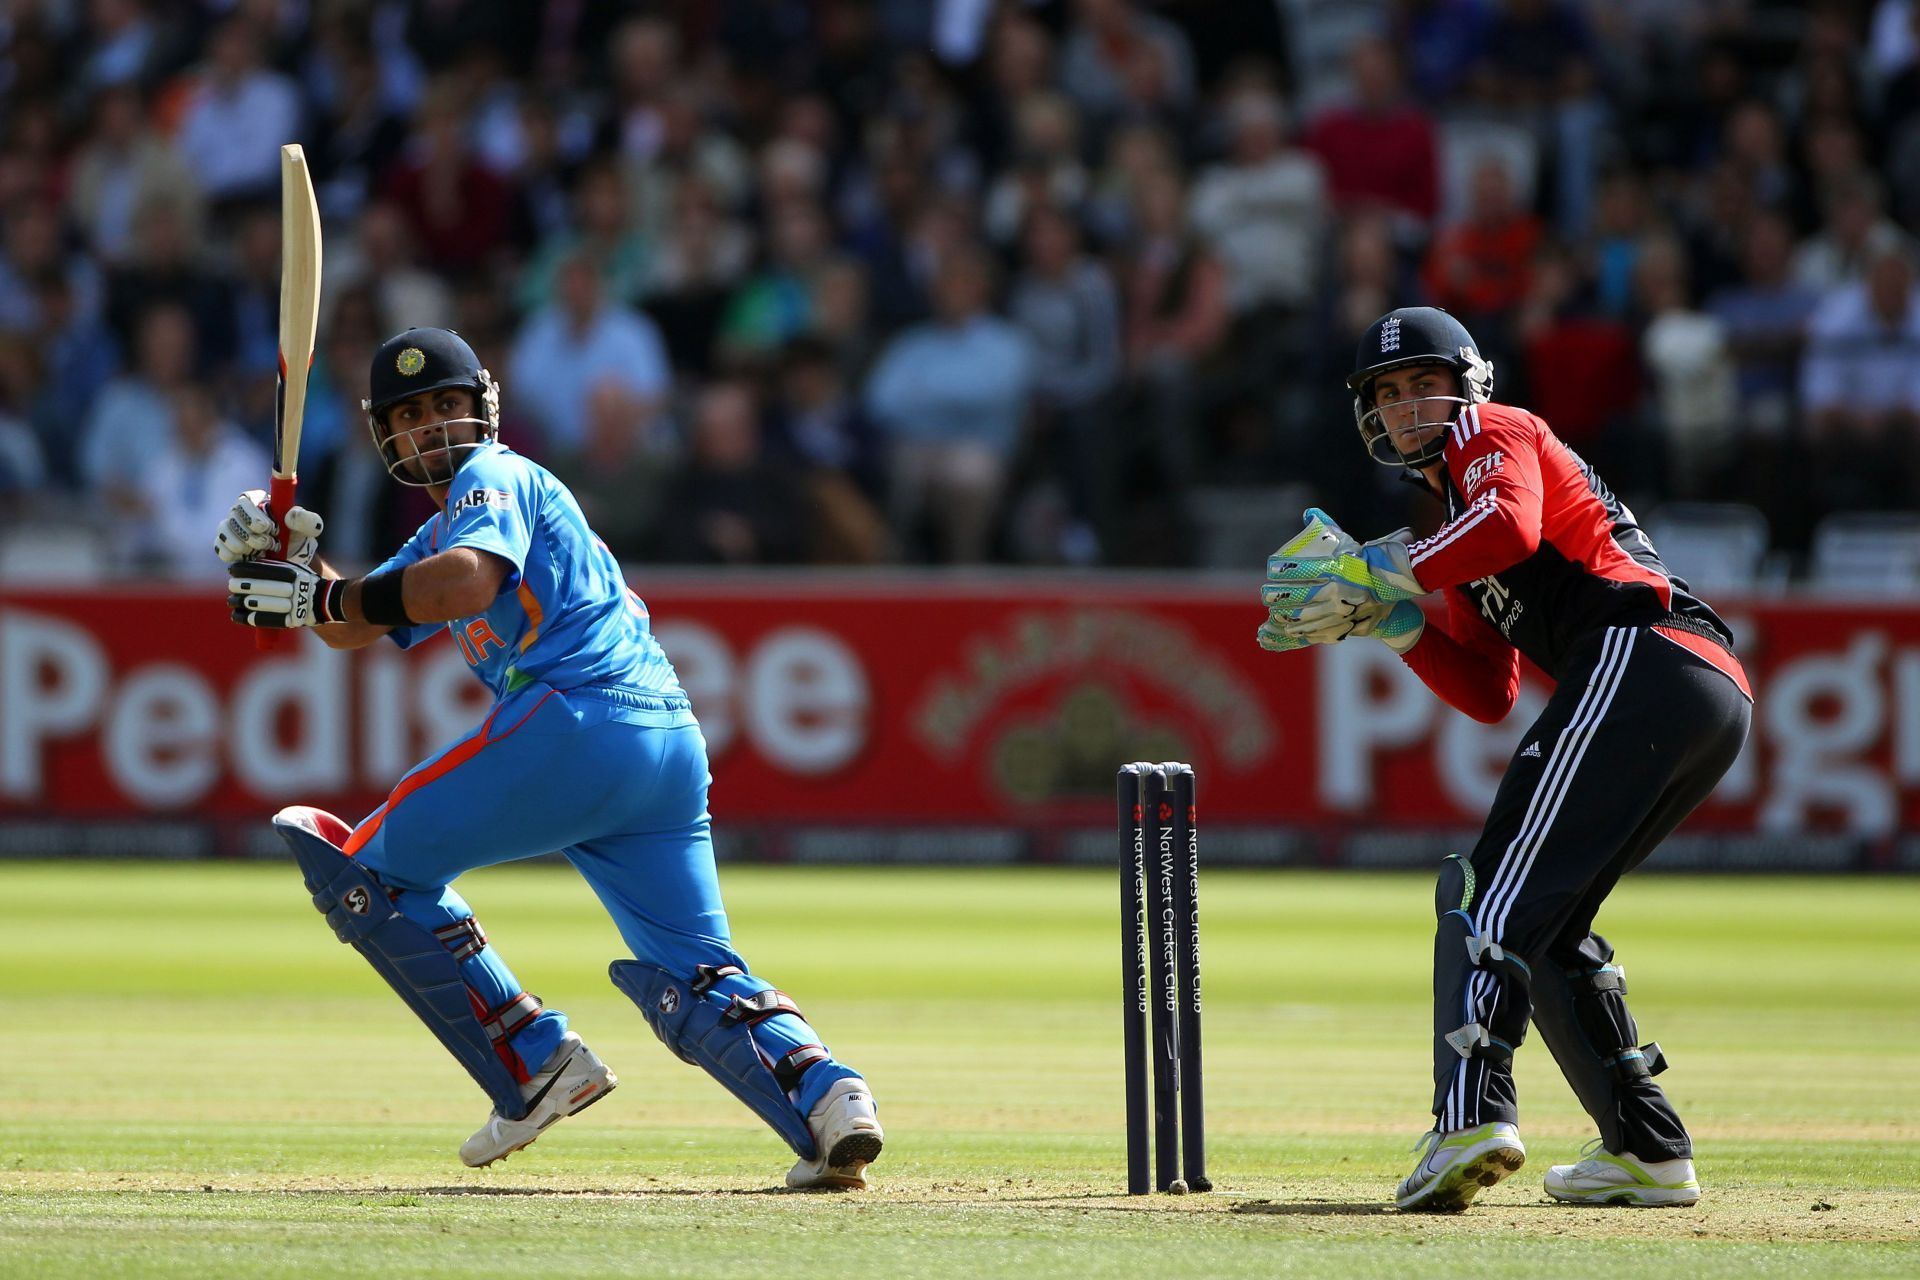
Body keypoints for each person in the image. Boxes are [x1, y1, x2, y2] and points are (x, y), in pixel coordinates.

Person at [214, 327, 883, 1188]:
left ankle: (531, 1058)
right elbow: (352, 622)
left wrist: (322, 592)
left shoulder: (493, 476)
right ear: (386, 436)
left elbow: (464, 585)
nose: (431, 428)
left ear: (483, 409)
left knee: (362, 872)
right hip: (664, 742)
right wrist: (293, 565)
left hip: (578, 721)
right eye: (411, 415)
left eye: (446, 406)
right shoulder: (444, 524)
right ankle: (828, 1098)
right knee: (696, 969)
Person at [1259, 307, 1751, 1211]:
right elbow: (1488, 690)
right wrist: (1393, 624)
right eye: (1389, 394)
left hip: (1645, 654)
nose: (1410, 408)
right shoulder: (1449, 521)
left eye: (1424, 384)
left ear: (1469, 381)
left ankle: (1471, 1117)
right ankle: (1648, 1146)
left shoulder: (1497, 431)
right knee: (1547, 919)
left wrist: (1380, 566)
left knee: (1488, 891)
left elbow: (1512, 531)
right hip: (1694, 686)